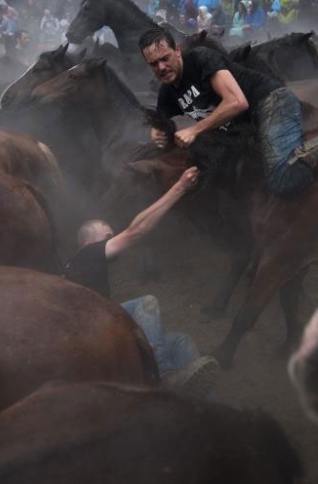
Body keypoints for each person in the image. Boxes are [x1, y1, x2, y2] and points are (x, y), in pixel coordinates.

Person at [139, 29, 318, 198]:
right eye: (154, 64)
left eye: (165, 58)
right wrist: (158, 134)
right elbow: (161, 123)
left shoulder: (200, 59)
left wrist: (195, 129)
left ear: (177, 51)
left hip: (271, 103)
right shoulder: (167, 92)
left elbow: (236, 103)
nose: (161, 67)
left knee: (283, 180)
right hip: (249, 128)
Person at [65, 167, 219, 396]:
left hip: (102, 320)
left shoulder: (86, 267)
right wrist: (179, 187)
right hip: (92, 329)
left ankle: (206, 406)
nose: (112, 239)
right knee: (146, 303)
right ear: (88, 241)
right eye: (107, 237)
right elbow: (135, 231)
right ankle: (163, 376)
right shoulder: (86, 255)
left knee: (179, 341)